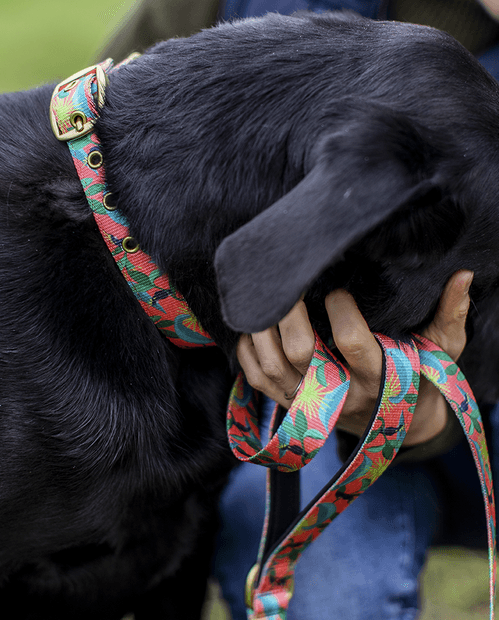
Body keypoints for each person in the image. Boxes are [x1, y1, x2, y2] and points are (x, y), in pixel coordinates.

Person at [100, 4, 498, 617]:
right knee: (330, 590)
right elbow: (105, 169)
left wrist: (425, 413)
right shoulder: (230, 11)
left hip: (471, 408)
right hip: (292, 399)